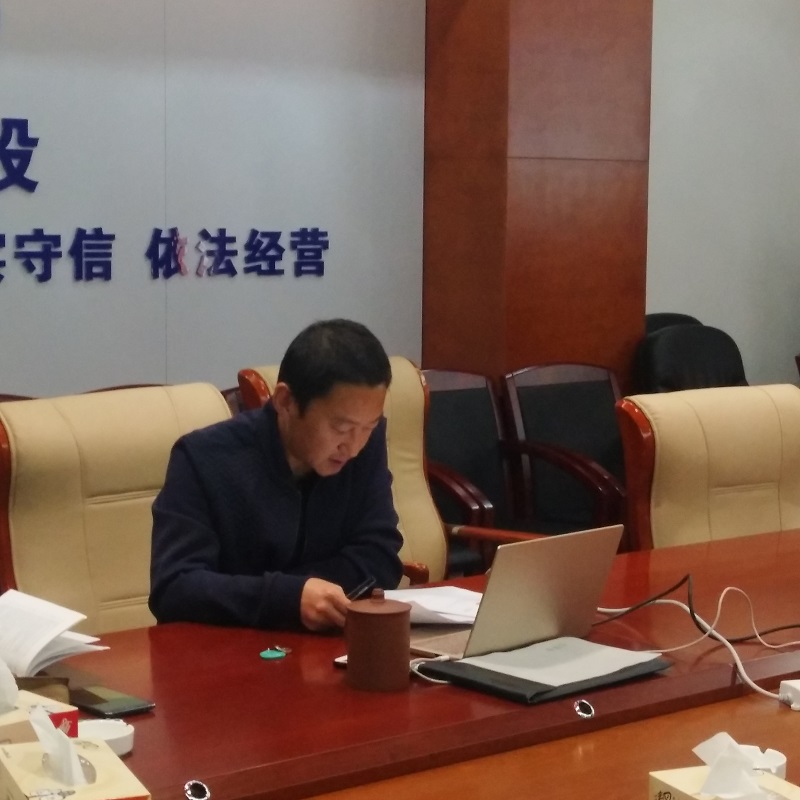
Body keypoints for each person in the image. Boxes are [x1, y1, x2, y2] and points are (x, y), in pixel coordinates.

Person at [149, 318, 404, 632]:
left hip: (325, 644)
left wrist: (303, 595)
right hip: (226, 649)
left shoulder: (365, 446)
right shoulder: (204, 458)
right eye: (341, 428)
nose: (353, 446)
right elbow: (174, 587)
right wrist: (289, 597)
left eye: (369, 427)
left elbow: (380, 556)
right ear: (285, 401)